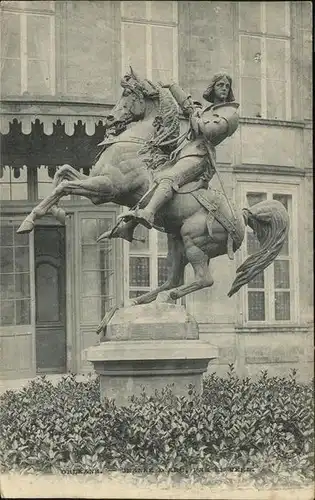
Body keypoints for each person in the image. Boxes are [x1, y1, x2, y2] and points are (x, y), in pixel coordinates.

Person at [121, 73, 239, 229]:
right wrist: (172, 86)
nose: (224, 88)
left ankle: (148, 213)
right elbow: (187, 105)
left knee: (169, 177)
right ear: (213, 88)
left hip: (201, 155)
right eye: (220, 85)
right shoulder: (208, 110)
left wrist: (195, 118)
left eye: (227, 86)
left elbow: (209, 131)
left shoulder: (230, 112)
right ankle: (129, 227)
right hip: (185, 152)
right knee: (152, 176)